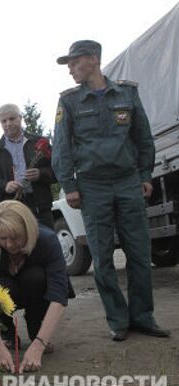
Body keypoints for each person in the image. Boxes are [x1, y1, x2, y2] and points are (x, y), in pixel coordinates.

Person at [52, 40, 170, 341]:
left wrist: (145, 174)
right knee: (102, 258)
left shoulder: (127, 93)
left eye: (74, 63)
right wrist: (70, 185)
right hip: (92, 187)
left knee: (140, 253)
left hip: (128, 181)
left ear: (93, 59)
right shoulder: (69, 101)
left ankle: (143, 317)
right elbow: (62, 148)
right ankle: (118, 320)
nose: (70, 70)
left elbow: (144, 138)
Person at [0, 201, 74, 373]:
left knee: (35, 276)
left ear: (28, 230)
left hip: (35, 291)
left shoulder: (47, 240)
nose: (10, 244)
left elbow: (59, 295)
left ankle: (36, 329)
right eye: (3, 238)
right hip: (7, 293)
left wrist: (39, 345)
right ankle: (7, 333)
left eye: (15, 237)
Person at [0, 104, 55, 229]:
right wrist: (5, 186)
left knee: (46, 246)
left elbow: (58, 170)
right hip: (9, 211)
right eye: (4, 121)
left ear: (20, 118)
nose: (8, 123)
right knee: (16, 248)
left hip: (40, 208)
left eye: (12, 119)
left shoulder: (40, 142)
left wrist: (41, 174)